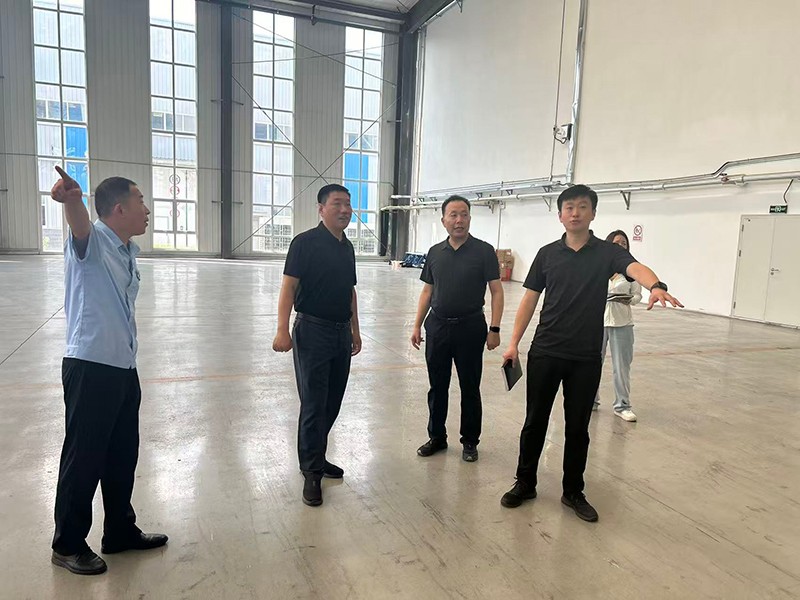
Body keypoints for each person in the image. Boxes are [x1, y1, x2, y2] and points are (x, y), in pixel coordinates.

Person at [499, 185, 683, 522]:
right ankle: (525, 483)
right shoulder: (547, 254)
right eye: (569, 207)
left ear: (593, 213)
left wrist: (656, 286)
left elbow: (636, 268)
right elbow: (529, 299)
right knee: (535, 421)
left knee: (578, 427)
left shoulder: (607, 253)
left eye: (582, 207)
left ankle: (573, 491)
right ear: (560, 215)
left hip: (584, 357)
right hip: (546, 351)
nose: (575, 213)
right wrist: (513, 343)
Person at [49, 166, 167, 576]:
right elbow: (80, 227)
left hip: (123, 367)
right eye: (140, 202)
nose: (146, 210)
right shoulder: (95, 241)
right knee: (84, 458)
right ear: (119, 209)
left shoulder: (126, 251)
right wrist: (73, 201)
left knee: (121, 455)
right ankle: (67, 544)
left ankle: (119, 530)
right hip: (91, 366)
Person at [273, 184, 362, 507]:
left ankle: (317, 455)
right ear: (321, 208)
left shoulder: (346, 247)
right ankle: (311, 471)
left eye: (348, 204)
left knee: (332, 401)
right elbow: (288, 287)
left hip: (340, 333)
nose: (345, 210)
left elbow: (350, 291)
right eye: (337, 203)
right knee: (313, 403)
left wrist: (355, 330)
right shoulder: (304, 243)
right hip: (312, 331)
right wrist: (282, 330)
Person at [411, 195, 504, 462]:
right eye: (453, 215)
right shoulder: (434, 252)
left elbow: (496, 291)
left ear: (470, 218)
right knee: (437, 386)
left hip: (470, 328)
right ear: (444, 220)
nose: (459, 220)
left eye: (463, 214)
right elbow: (427, 291)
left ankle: (470, 441)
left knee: (470, 387)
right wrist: (417, 325)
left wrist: (495, 328)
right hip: (438, 327)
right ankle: (437, 437)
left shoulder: (484, 251)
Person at [593, 230, 642, 422]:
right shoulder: (599, 267)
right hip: (598, 322)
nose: (620, 246)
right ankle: (591, 400)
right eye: (617, 242)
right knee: (592, 364)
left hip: (622, 323)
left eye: (624, 243)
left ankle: (622, 405)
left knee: (621, 367)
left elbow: (637, 296)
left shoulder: (631, 270)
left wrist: (628, 299)